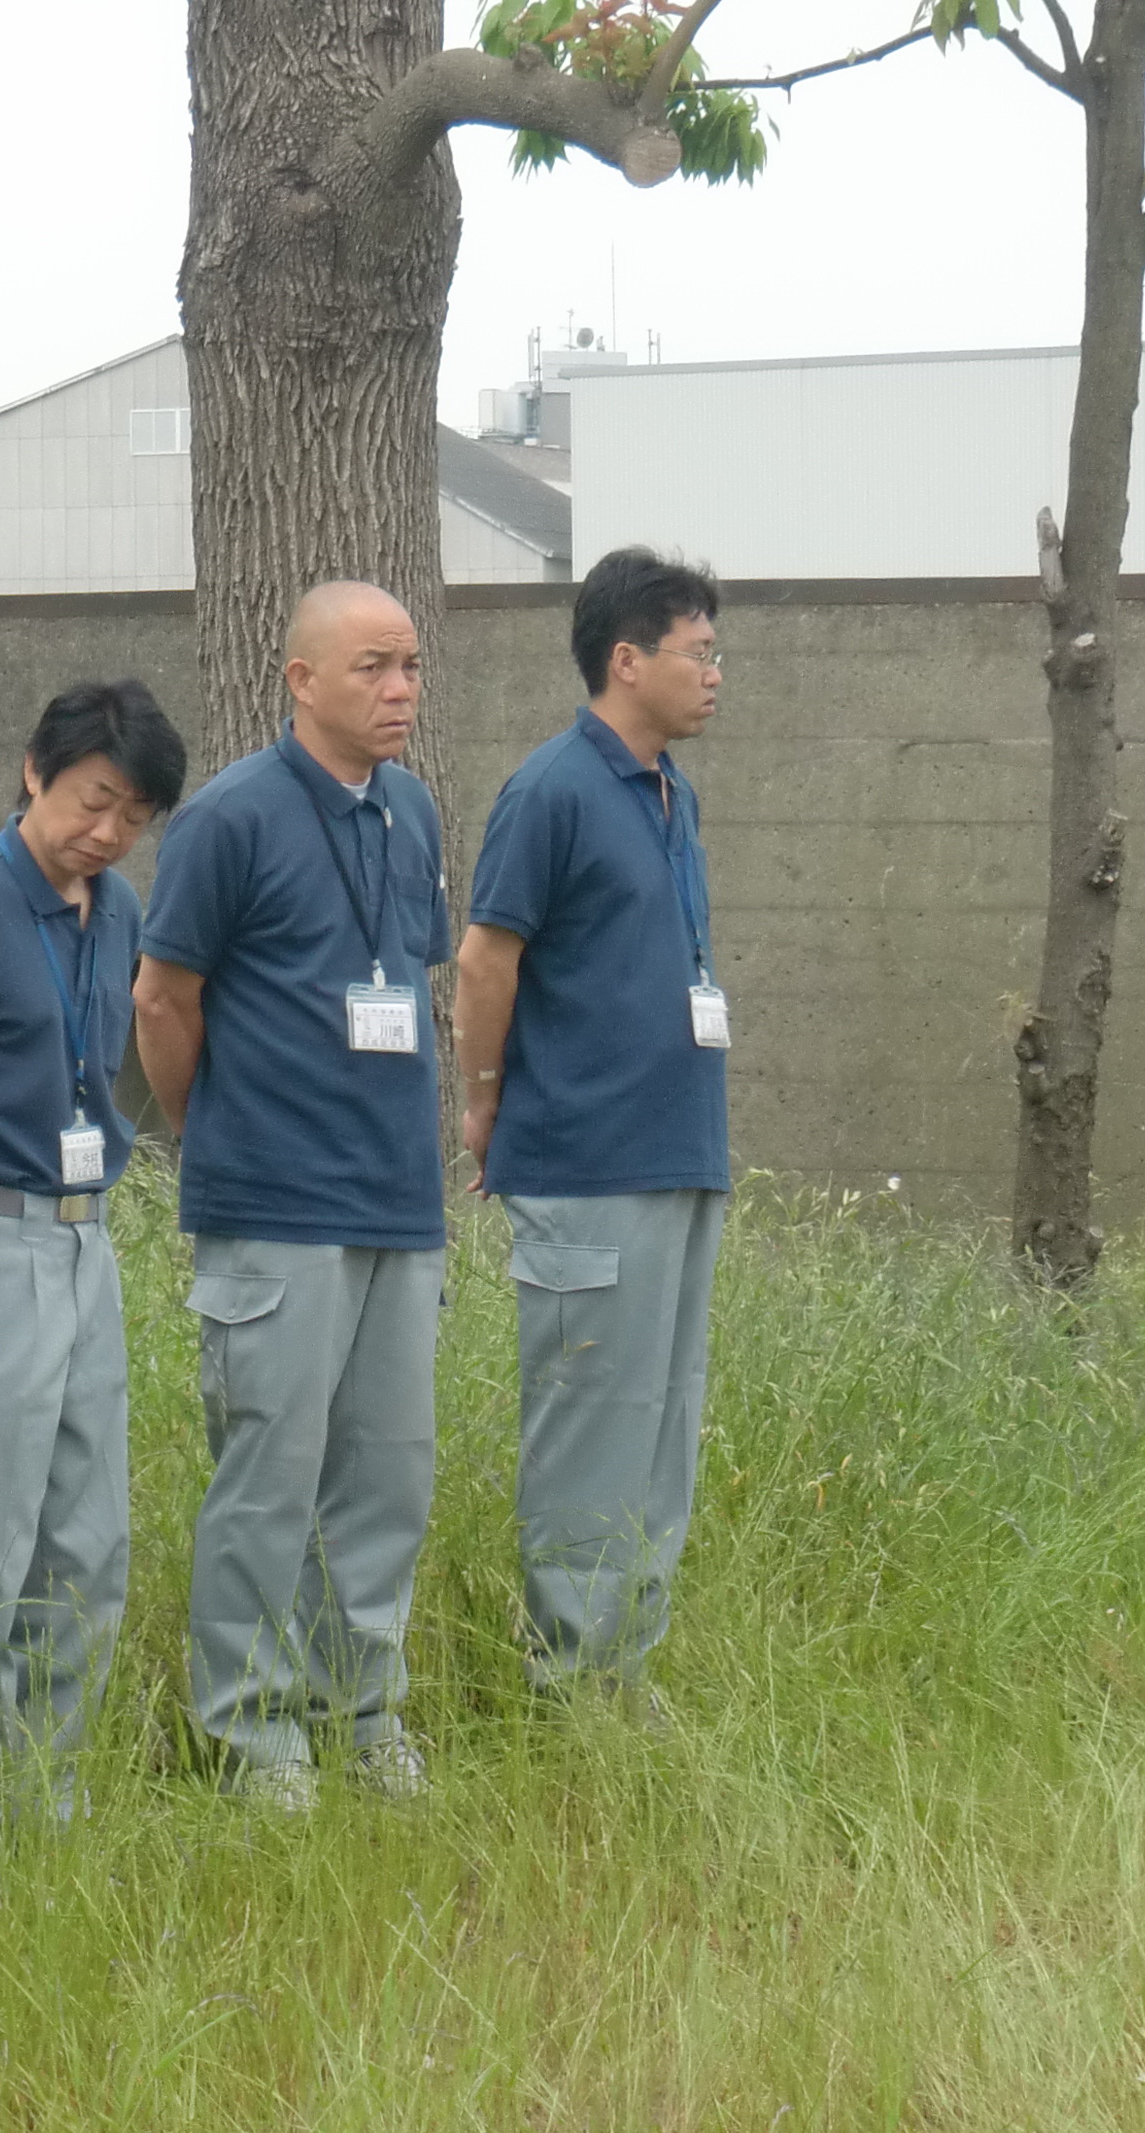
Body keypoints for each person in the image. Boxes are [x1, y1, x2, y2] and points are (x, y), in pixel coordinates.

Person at [136, 584, 452, 1806]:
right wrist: (216, 1133)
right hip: (274, 1206)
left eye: (409, 665)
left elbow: (408, 977)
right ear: (300, 680)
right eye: (372, 666)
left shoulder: (411, 812)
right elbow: (163, 1000)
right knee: (268, 1483)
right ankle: (251, 1733)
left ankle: (361, 1715)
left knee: (387, 1481)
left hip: (396, 1207)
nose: (399, 689)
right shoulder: (231, 817)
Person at [455, 546, 732, 1712]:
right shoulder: (552, 790)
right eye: (697, 652)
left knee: (661, 1423)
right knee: (588, 1431)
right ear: (626, 660)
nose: (714, 673)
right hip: (586, 1162)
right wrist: (482, 1097)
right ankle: (569, 1681)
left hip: (677, 1157)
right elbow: (486, 958)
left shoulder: (673, 794)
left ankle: (627, 1665)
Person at [0, 677, 184, 1806]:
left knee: (87, 1535)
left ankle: (46, 1800)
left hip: (83, 1239)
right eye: (92, 802)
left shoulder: (118, 911)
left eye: (132, 817)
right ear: (33, 772)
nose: (107, 833)